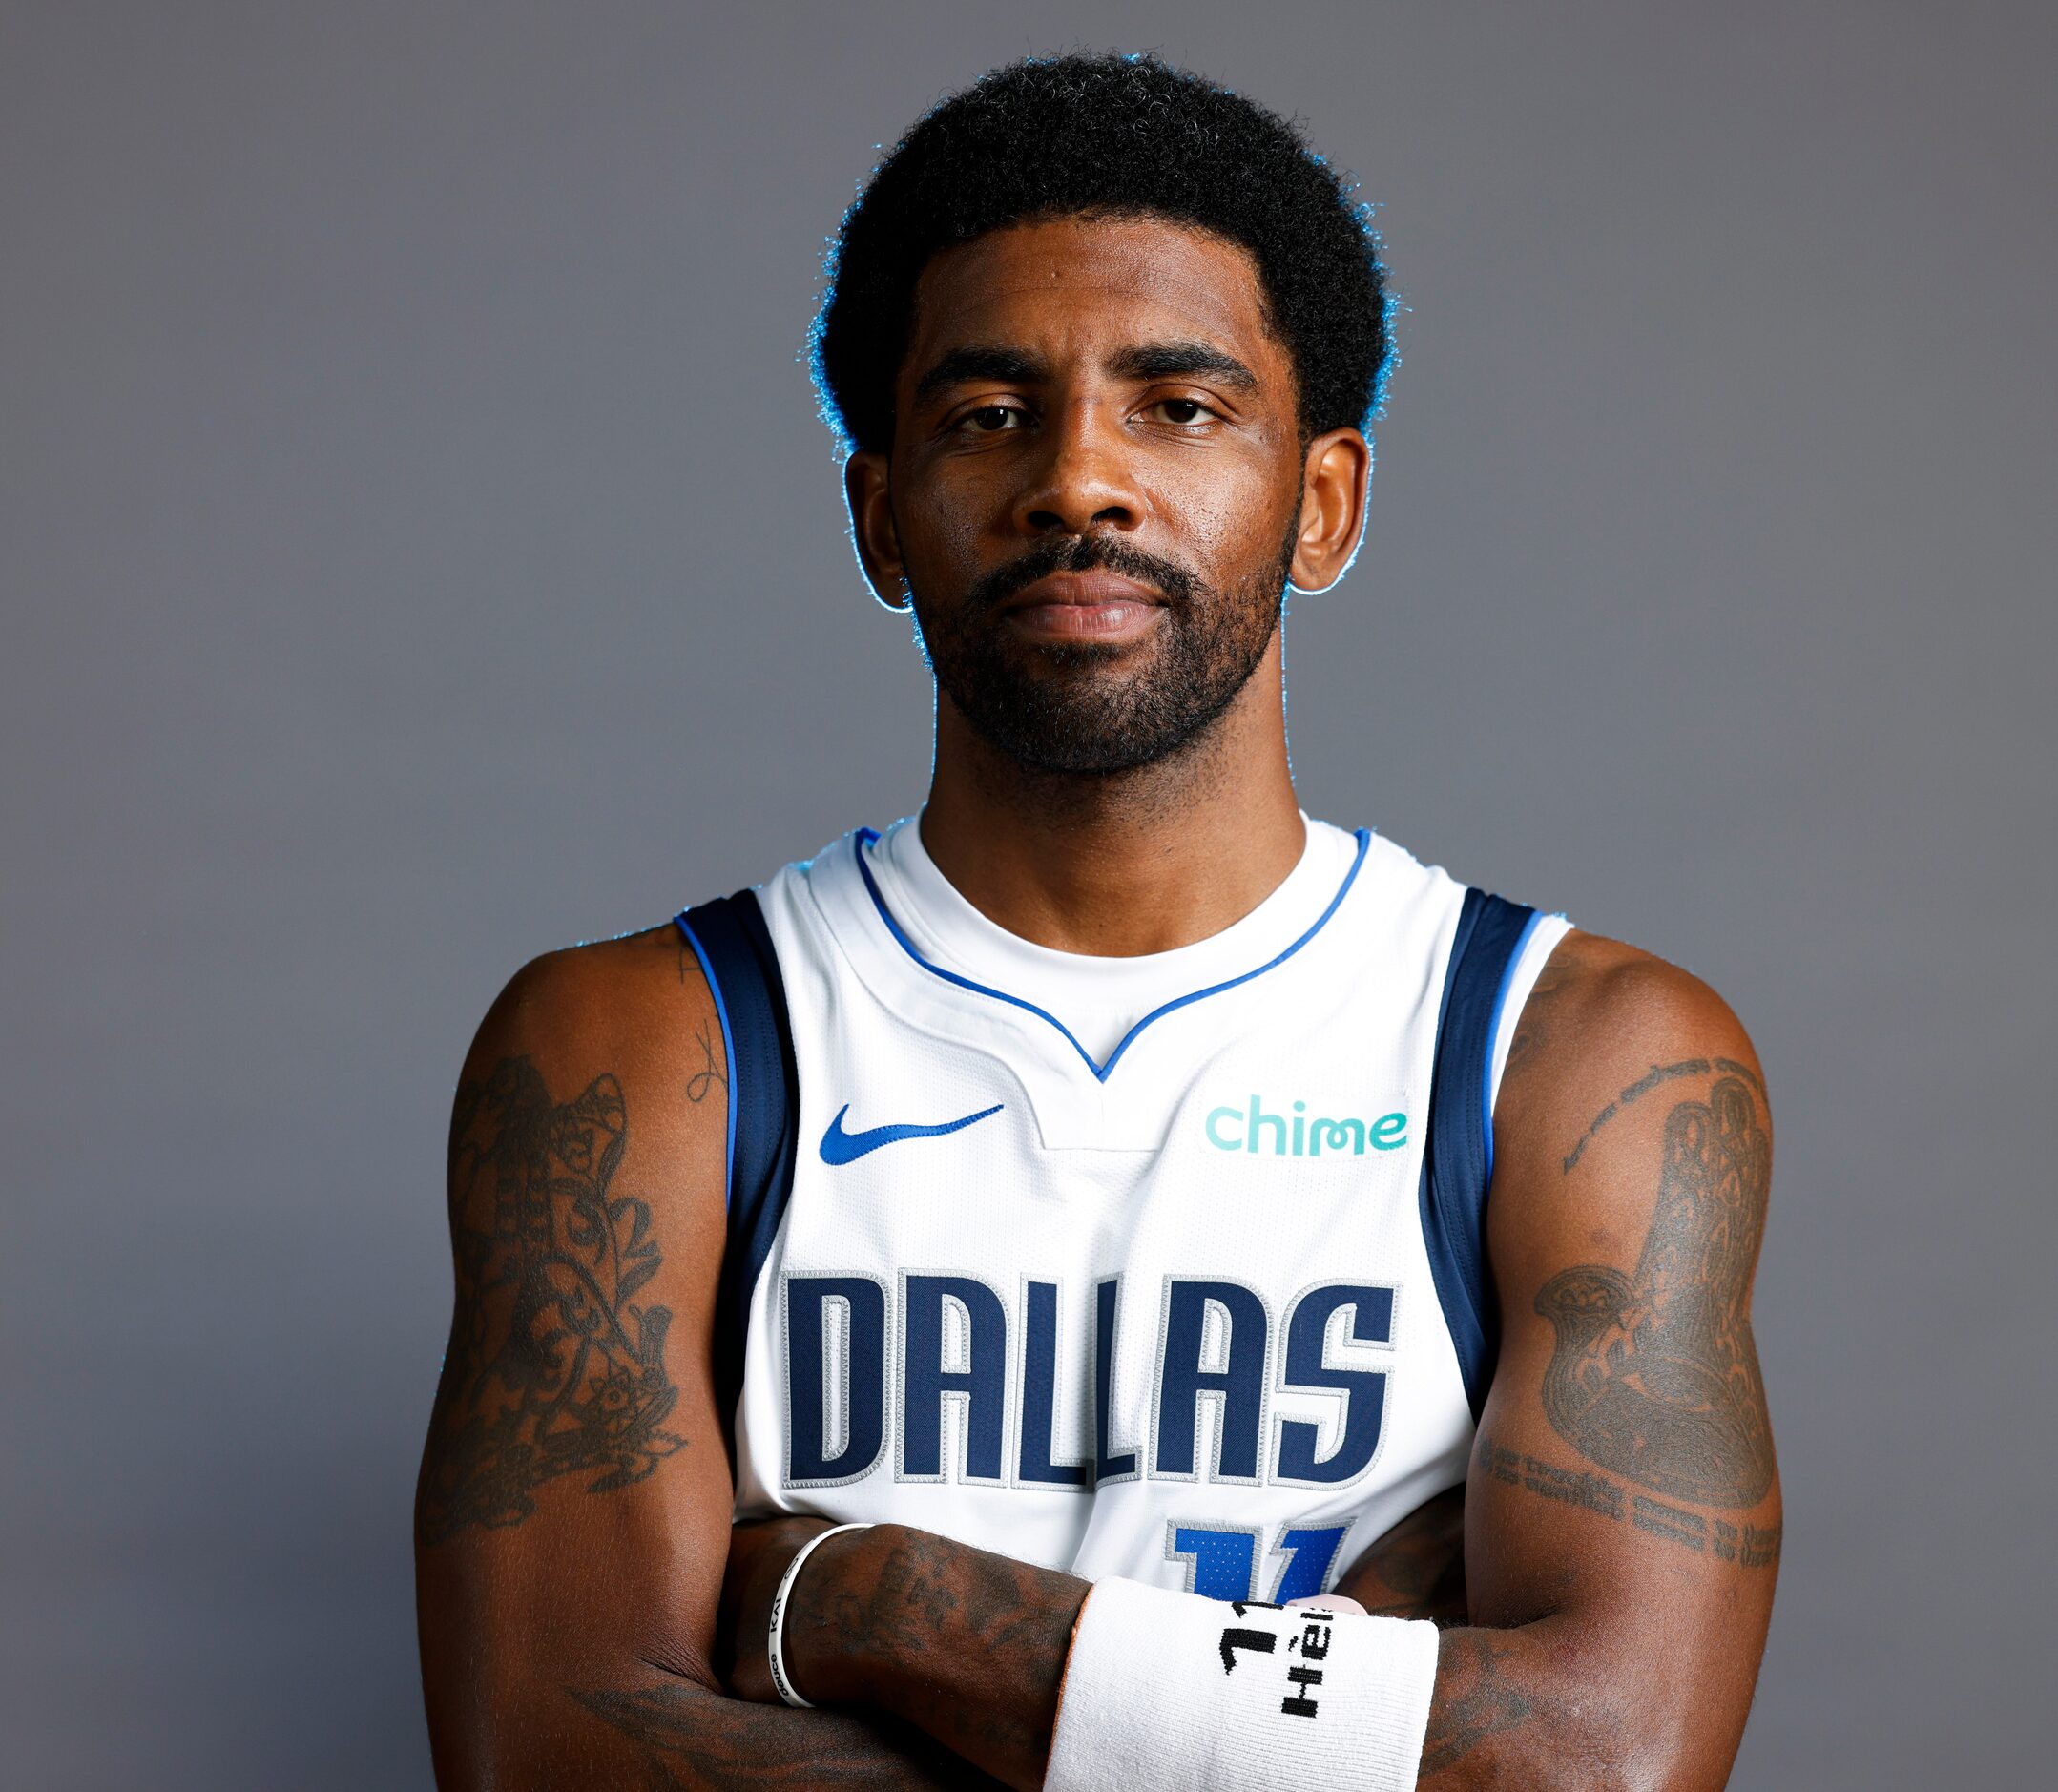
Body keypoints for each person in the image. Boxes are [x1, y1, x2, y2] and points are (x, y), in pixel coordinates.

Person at [414, 52, 1780, 1791]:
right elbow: (547, 1757)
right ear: (879, 516)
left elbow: (1605, 1761)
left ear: (1324, 502)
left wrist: (869, 1598)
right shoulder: (644, 1046)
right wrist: (1325, 1727)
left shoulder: (1569, 1058)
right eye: (988, 412)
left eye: (1177, 406)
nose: (1078, 480)